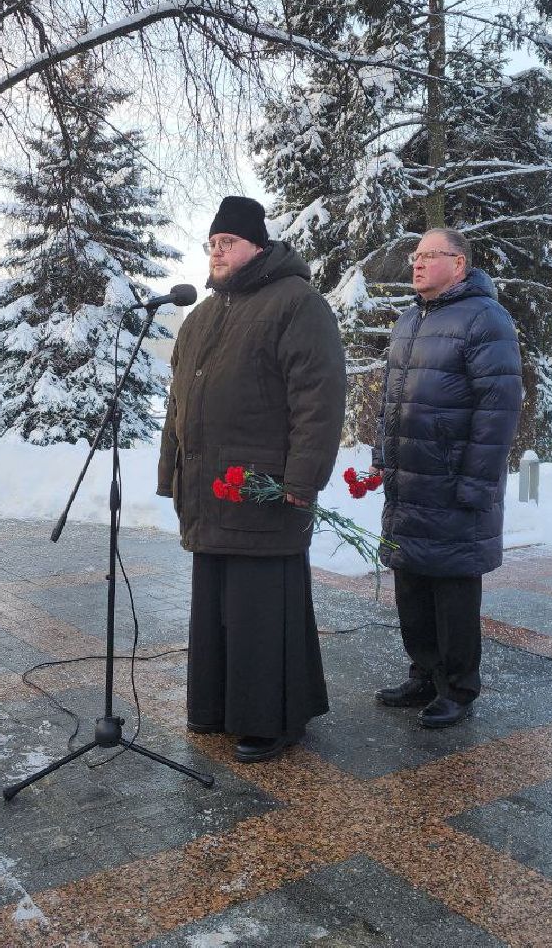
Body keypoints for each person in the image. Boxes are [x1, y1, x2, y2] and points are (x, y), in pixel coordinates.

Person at [157, 196, 347, 763]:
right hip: (208, 488)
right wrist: (174, 470)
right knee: (215, 605)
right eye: (212, 244)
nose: (217, 254)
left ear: (257, 247)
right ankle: (217, 706)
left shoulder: (297, 303)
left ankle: (272, 719)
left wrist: (302, 478)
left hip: (261, 487)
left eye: (228, 243)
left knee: (260, 608)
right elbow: (178, 403)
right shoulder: (201, 316)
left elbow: (318, 398)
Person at [374, 229, 523, 728]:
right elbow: (390, 399)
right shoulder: (410, 318)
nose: (416, 264)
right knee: (411, 585)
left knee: (453, 589)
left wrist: (477, 484)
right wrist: (383, 456)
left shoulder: (485, 318)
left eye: (429, 256)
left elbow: (498, 410)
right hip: (409, 480)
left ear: (458, 264)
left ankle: (458, 686)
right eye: (414, 256)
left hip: (454, 482)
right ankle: (423, 672)